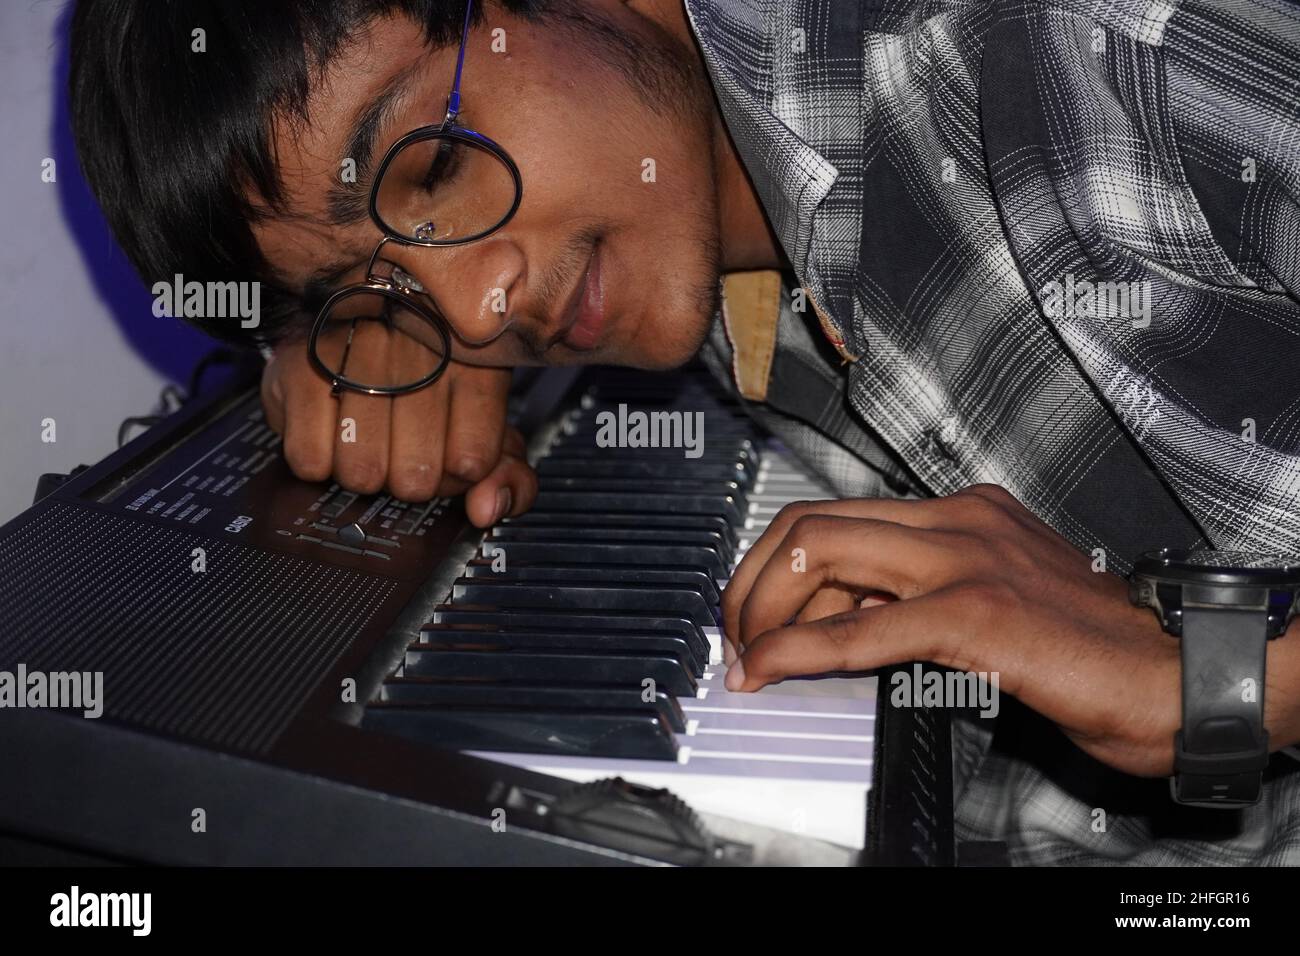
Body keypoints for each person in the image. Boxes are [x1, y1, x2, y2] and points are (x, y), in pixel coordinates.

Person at [69, 0, 1300, 864]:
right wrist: (347, 343)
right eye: (377, 295)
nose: (478, 310)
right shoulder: (710, 244)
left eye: (429, 165)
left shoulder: (1099, 45)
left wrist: (1225, 681)